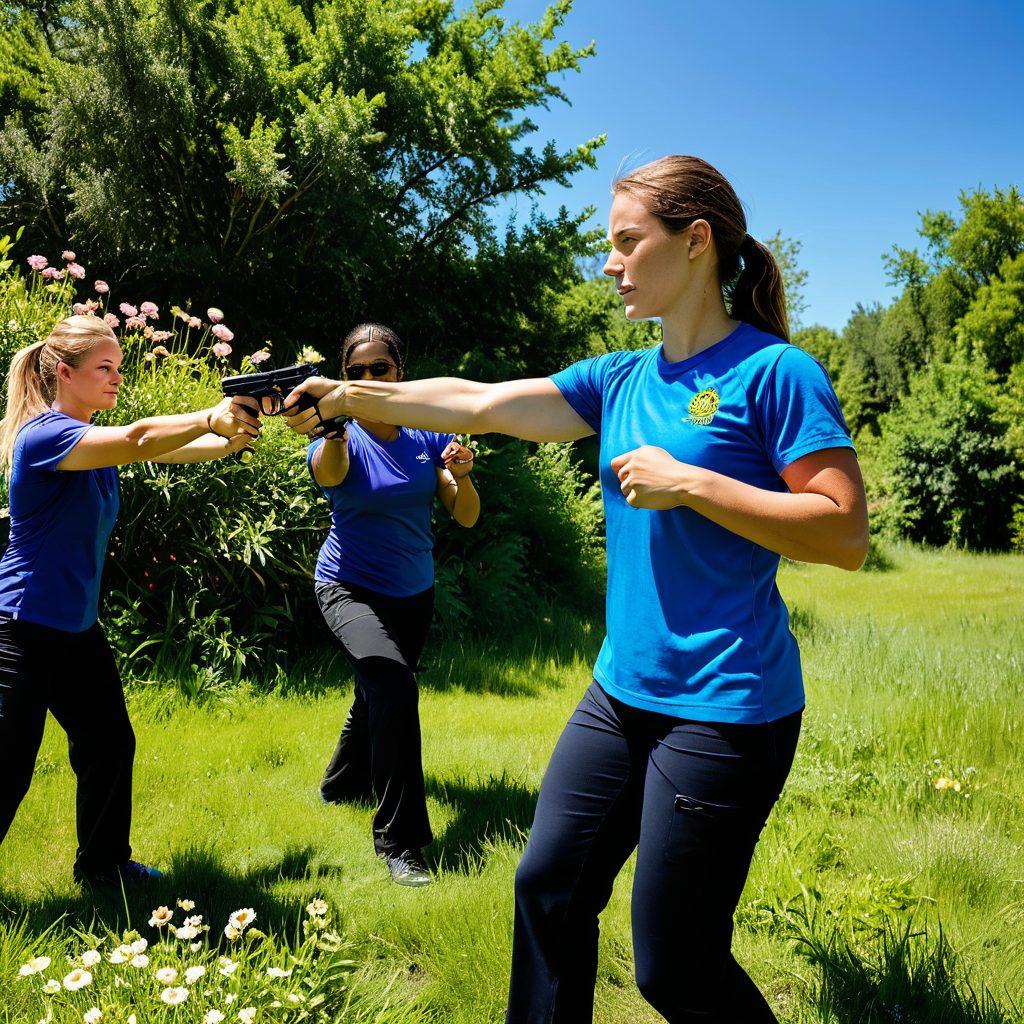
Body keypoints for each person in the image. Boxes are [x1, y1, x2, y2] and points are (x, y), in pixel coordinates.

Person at [281, 156, 868, 1021]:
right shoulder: (621, 378)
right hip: (619, 692)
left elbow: (845, 532)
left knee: (675, 966)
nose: (610, 263)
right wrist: (348, 396)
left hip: (729, 708)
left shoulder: (774, 375)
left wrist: (694, 483)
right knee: (547, 888)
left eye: (628, 242)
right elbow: (480, 405)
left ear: (696, 241)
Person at [0, 314, 258, 887]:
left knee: (109, 744)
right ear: (64, 372)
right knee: (8, 766)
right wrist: (207, 416)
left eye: (120, 366)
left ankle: (103, 866)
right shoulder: (46, 436)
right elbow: (141, 438)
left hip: (75, 630)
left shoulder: (90, 441)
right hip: (22, 627)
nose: (118, 377)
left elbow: (163, 450)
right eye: (104, 368)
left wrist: (229, 436)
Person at [307, 323, 479, 887]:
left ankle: (339, 783)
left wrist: (460, 475)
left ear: (399, 373)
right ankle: (400, 844)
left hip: (414, 592)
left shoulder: (426, 435)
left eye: (380, 369)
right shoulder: (337, 437)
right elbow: (329, 476)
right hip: (347, 586)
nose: (368, 379)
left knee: (378, 688)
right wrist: (333, 433)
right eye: (356, 372)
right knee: (395, 685)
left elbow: (466, 514)